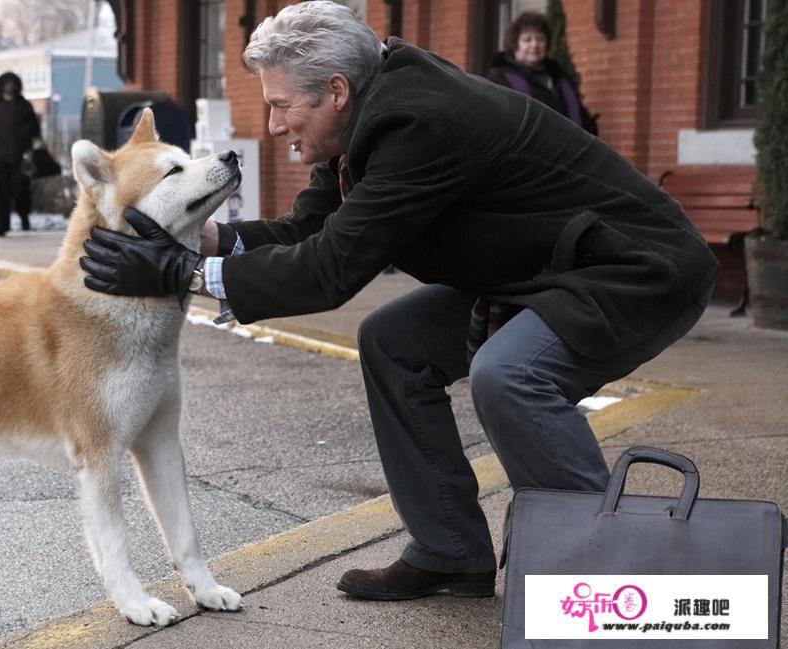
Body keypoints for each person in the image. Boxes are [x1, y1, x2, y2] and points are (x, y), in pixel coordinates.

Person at [81, 1, 716, 601]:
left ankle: (612, 570)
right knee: (392, 343)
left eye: (280, 106)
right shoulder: (364, 111)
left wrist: (182, 273)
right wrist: (198, 236)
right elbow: (310, 230)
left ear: (335, 91)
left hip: (633, 270)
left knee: (509, 375)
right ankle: (449, 550)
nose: (273, 127)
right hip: (542, 270)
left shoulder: (419, 122)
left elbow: (331, 270)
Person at [488, 11, 597, 134]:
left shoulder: (560, 78)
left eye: (540, 39)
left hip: (569, 149)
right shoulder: (500, 80)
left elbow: (581, 118)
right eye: (527, 40)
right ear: (515, 45)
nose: (534, 45)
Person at [0, 71, 42, 237]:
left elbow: (35, 129)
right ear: (1, 85)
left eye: (12, 83)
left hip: (19, 157)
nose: (10, 86)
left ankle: (24, 217)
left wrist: (22, 134)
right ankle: (0, 225)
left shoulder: (24, 105)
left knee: (21, 191)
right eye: (7, 83)